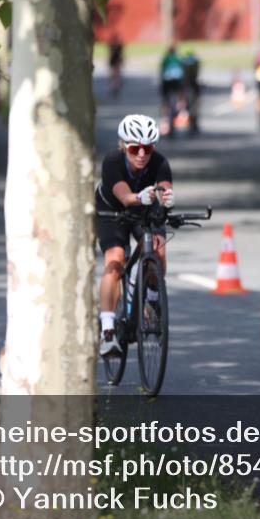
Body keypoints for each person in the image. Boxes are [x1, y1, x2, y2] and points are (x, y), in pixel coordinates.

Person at [95, 114, 175, 355]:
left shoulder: (160, 162)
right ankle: (108, 330)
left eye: (147, 149)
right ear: (124, 146)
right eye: (134, 149)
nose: (141, 154)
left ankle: (152, 297)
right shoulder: (112, 161)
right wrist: (138, 197)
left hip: (144, 211)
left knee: (158, 250)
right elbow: (125, 197)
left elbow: (164, 188)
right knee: (116, 259)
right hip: (112, 211)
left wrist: (167, 198)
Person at [159, 45, 184, 137]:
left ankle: (165, 121)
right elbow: (182, 72)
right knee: (177, 100)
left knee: (165, 102)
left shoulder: (165, 59)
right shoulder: (178, 59)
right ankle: (174, 115)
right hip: (177, 82)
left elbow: (162, 71)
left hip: (167, 82)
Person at [181, 50, 201, 134]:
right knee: (194, 106)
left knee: (190, 106)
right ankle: (193, 122)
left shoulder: (185, 63)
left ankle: (192, 122)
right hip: (193, 87)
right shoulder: (195, 63)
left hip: (188, 87)